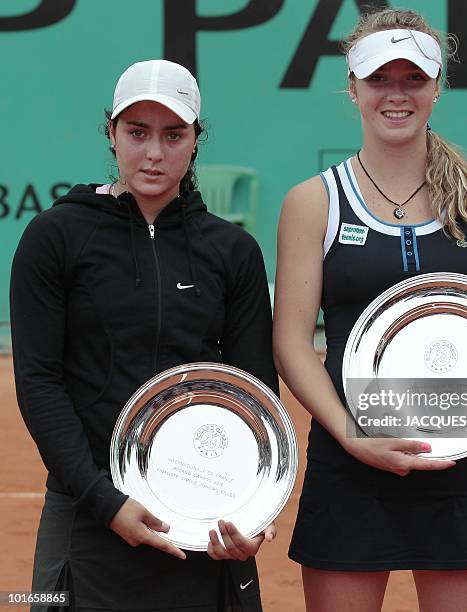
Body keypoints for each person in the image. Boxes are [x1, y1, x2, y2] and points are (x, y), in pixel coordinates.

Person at [273, 8, 467, 612]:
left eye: (413, 79)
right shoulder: (312, 203)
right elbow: (291, 343)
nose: (397, 94)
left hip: (463, 470)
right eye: (379, 79)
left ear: (436, 88)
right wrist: (353, 435)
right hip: (350, 463)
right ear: (353, 88)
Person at [11, 59, 277, 612]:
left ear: (195, 141)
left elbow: (254, 394)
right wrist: (105, 501)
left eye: (173, 135)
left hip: (206, 521)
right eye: (137, 133)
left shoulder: (233, 252)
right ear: (111, 134)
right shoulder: (55, 237)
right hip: (87, 515)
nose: (154, 153)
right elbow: (40, 382)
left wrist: (254, 512)